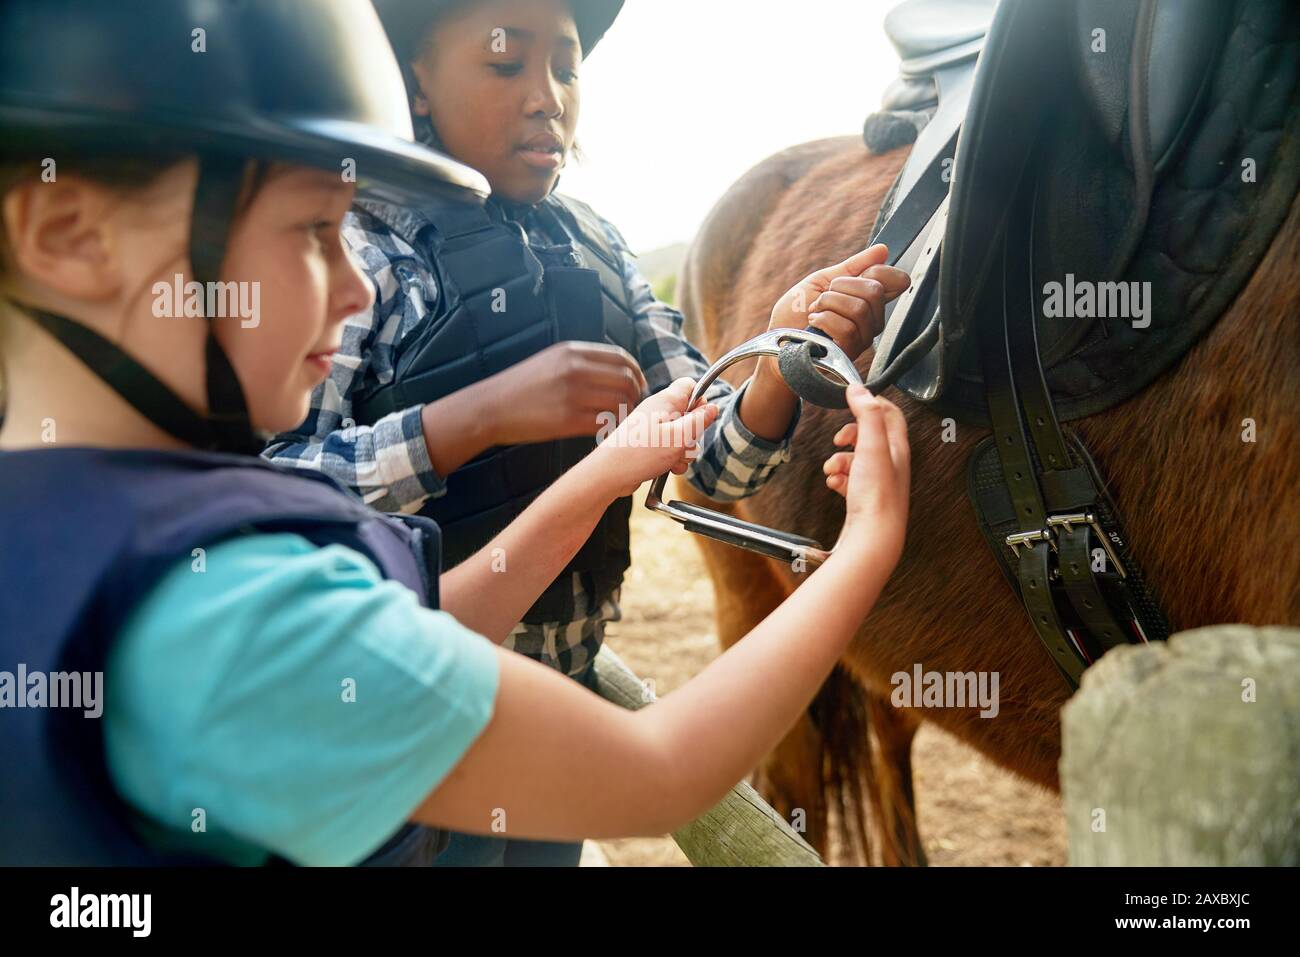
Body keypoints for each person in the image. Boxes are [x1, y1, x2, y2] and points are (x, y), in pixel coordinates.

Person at [0, 0, 910, 867]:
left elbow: (452, 609)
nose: (347, 282)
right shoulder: (249, 605)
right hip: (442, 752)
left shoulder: (597, 248)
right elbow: (656, 770)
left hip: (508, 693)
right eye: (316, 230)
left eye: (566, 66)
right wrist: (866, 543)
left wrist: (772, 367)